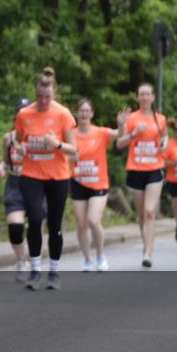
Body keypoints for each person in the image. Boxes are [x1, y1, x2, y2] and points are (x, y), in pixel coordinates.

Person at [13, 67, 77, 290]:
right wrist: (20, 148)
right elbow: (18, 140)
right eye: (39, 96)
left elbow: (73, 150)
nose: (43, 101)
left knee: (54, 224)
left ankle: (54, 272)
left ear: (54, 93)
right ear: (35, 93)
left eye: (47, 97)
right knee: (35, 218)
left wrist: (57, 144)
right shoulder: (24, 115)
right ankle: (35, 270)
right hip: (31, 174)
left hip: (58, 176)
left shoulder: (63, 114)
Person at [116, 83, 167, 268]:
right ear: (137, 98)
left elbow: (164, 141)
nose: (145, 97)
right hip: (135, 169)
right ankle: (147, 244)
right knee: (141, 215)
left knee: (149, 212)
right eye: (141, 94)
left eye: (148, 94)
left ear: (153, 97)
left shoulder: (160, 119)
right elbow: (120, 144)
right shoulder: (131, 118)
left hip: (155, 168)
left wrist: (163, 146)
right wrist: (131, 132)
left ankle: (148, 252)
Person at [0, 98, 44, 281]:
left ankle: (35, 258)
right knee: (15, 225)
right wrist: (0, 167)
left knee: (35, 224)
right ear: (16, 117)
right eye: (19, 113)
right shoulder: (9, 138)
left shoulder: (39, 136)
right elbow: (6, 161)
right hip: (15, 184)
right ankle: (22, 260)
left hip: (35, 183)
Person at [69, 99, 118, 272]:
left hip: (98, 183)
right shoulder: (70, 134)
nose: (83, 114)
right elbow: (61, 150)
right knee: (81, 223)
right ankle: (87, 260)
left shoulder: (100, 132)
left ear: (92, 114)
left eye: (87, 111)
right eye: (81, 111)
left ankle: (101, 256)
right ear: (76, 113)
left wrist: (123, 125)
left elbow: (120, 135)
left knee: (93, 220)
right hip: (77, 181)